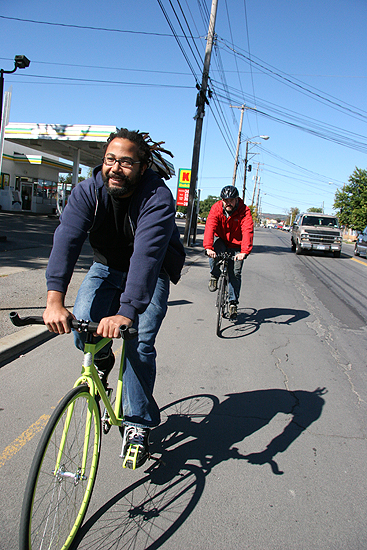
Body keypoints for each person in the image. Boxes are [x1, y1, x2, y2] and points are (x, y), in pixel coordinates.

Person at [43, 128, 185, 469]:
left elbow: (147, 257)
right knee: (82, 328)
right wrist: (54, 299)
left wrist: (127, 312)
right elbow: (67, 240)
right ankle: (103, 362)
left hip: (151, 271)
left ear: (142, 165)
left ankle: (137, 423)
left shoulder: (157, 197)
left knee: (139, 340)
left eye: (126, 161)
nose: (115, 168)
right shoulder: (87, 191)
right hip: (106, 265)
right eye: (110, 159)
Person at [203, 185, 253, 319]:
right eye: (225, 200)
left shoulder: (244, 211)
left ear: (237, 199)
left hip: (237, 244)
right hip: (223, 240)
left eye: (231, 200)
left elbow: (247, 230)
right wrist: (208, 247)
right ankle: (214, 275)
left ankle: (233, 303)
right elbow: (210, 226)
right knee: (213, 253)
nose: (228, 203)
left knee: (235, 273)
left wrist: (244, 251)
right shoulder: (217, 208)